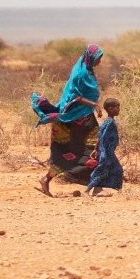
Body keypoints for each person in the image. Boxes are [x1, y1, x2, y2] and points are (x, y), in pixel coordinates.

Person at [32, 44, 103, 196]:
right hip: (74, 117)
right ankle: (95, 187)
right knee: (88, 147)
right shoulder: (80, 73)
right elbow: (75, 96)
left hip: (84, 115)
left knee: (91, 149)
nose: (100, 62)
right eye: (98, 58)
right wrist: (94, 104)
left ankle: (96, 186)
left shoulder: (88, 70)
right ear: (91, 57)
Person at [85, 97, 123, 197]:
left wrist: (95, 149)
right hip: (106, 152)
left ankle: (117, 191)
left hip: (109, 152)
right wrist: (101, 151)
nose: (119, 109)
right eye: (117, 107)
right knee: (102, 171)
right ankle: (87, 190)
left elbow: (99, 135)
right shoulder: (110, 122)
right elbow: (102, 137)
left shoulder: (108, 122)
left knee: (117, 170)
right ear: (110, 109)